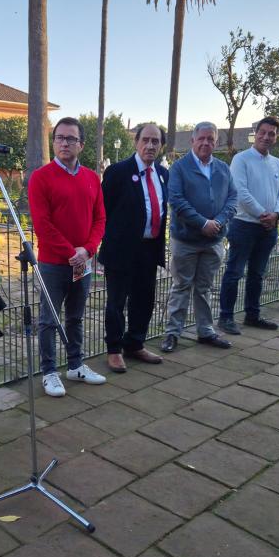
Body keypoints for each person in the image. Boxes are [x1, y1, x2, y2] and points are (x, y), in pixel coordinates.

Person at [28, 117, 107, 396]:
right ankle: (49, 372)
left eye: (71, 138)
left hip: (82, 262)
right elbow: (42, 224)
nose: (64, 143)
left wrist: (88, 250)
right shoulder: (41, 177)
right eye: (59, 138)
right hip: (53, 263)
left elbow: (100, 218)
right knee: (48, 320)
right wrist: (71, 252)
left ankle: (75, 365)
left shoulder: (91, 178)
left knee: (76, 317)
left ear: (81, 145)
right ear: (54, 142)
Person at [160, 122, 237, 353]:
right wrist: (203, 223)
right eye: (201, 138)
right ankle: (173, 333)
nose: (205, 143)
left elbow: (233, 199)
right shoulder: (179, 168)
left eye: (210, 139)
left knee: (205, 288)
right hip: (186, 240)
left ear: (216, 142)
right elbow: (176, 200)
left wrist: (218, 222)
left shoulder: (223, 168)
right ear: (192, 140)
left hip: (213, 241)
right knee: (181, 286)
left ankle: (205, 331)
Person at [99, 124, 169, 372]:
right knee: (117, 302)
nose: (150, 145)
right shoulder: (118, 172)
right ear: (136, 142)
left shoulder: (163, 173)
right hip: (121, 250)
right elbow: (103, 210)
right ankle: (114, 350)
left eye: (155, 141)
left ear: (161, 146)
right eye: (145, 140)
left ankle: (135, 343)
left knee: (144, 299)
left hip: (149, 248)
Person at [218, 116, 279, 335]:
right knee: (234, 272)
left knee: (258, 274)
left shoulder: (277, 163)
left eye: (271, 134)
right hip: (244, 225)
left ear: (276, 137)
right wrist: (263, 214)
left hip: (268, 228)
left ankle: (252, 315)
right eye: (263, 132)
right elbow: (240, 192)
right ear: (255, 133)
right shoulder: (241, 159)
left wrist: (276, 214)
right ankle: (226, 317)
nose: (266, 137)